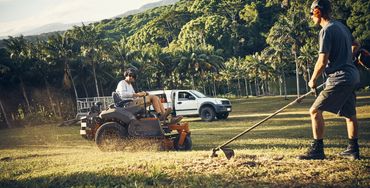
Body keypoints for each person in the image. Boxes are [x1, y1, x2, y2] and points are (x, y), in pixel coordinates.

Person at [298, 0, 361, 160]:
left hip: (339, 77)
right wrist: (347, 58)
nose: (311, 17)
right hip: (352, 75)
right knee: (350, 114)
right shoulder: (341, 26)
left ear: (318, 11)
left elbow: (322, 61)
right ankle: (353, 150)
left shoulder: (326, 30)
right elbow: (356, 45)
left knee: (314, 111)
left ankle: (317, 150)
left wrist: (312, 80)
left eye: (312, 13)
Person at [116, 68, 182, 123]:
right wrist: (137, 94)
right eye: (129, 75)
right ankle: (160, 115)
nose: (131, 77)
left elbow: (134, 95)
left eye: (133, 76)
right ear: (126, 75)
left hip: (131, 102)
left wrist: (141, 94)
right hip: (127, 104)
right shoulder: (122, 83)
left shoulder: (130, 85)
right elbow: (123, 94)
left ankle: (166, 116)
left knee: (156, 97)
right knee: (153, 97)